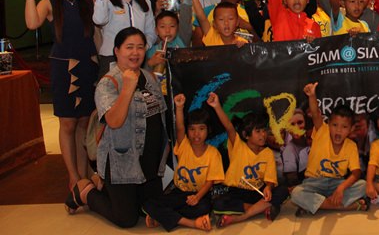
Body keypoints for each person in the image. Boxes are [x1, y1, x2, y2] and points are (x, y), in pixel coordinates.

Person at [66, 28, 170, 229]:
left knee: (149, 209)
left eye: (140, 47)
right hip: (121, 163)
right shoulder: (108, 83)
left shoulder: (149, 78)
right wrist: (128, 89)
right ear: (116, 50)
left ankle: (107, 189)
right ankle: (86, 192)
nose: (135, 52)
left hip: (149, 162)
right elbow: (114, 121)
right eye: (129, 47)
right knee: (126, 219)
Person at [22, 0, 98, 189]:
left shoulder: (88, 0)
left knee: (85, 123)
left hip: (88, 64)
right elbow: (32, 23)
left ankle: (84, 174)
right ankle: (72, 176)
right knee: (67, 123)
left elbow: (97, 32)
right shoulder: (49, 2)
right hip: (63, 67)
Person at [142, 94, 224, 231]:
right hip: (179, 193)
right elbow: (179, 127)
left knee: (204, 208)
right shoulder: (184, 145)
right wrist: (179, 108)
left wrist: (197, 197)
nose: (196, 134)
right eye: (192, 129)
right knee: (148, 204)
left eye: (201, 129)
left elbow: (210, 182)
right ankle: (192, 223)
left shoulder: (213, 154)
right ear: (188, 131)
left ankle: (164, 217)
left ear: (208, 130)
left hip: (199, 194)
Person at [208, 92, 289, 226]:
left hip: (258, 191)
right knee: (218, 203)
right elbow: (229, 128)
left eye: (264, 130)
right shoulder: (238, 146)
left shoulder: (268, 153)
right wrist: (216, 106)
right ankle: (261, 207)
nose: (263, 135)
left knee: (282, 191)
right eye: (258, 131)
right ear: (246, 135)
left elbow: (270, 181)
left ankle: (241, 216)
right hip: (238, 192)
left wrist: (268, 188)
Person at [291, 82, 369, 216]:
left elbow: (356, 173)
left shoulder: (351, 145)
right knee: (296, 193)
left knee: (364, 185)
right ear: (328, 124)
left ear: (350, 130)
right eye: (334, 125)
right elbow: (315, 113)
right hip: (314, 182)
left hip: (336, 183)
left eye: (344, 127)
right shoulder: (322, 132)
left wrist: (341, 188)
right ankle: (344, 207)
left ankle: (317, 205)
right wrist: (312, 95)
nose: (338, 130)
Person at [93, 0, 157, 77]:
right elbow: (99, 20)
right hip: (112, 59)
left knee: (137, 95)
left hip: (137, 60)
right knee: (113, 95)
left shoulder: (145, 2)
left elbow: (151, 33)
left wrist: (141, 48)